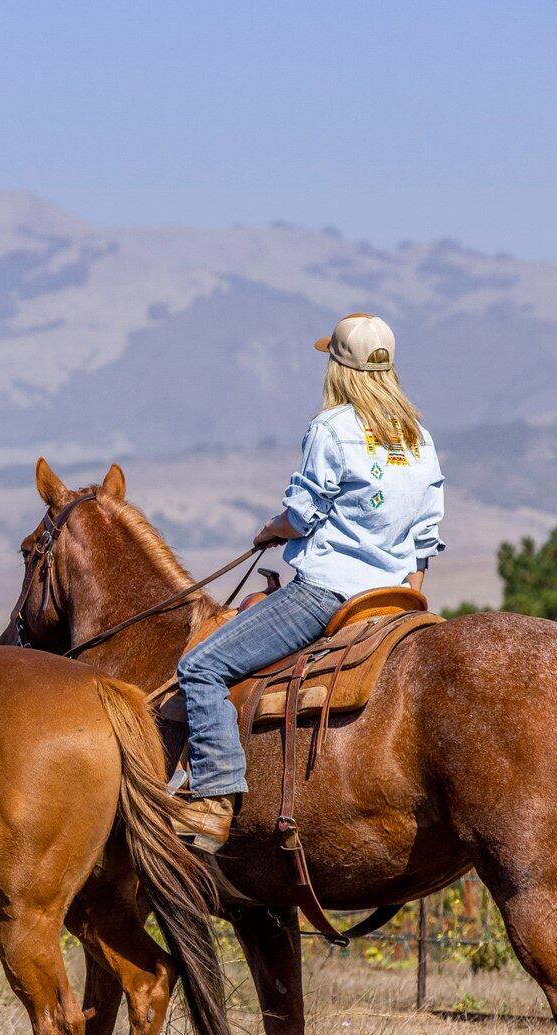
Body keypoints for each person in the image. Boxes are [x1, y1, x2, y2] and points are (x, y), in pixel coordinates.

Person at [173, 313, 446, 852]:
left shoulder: (332, 428)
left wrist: (270, 532)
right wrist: (411, 606)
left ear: (337, 368)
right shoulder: (419, 439)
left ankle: (213, 795)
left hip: (327, 594)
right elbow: (424, 539)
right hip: (393, 602)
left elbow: (300, 516)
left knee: (200, 666)